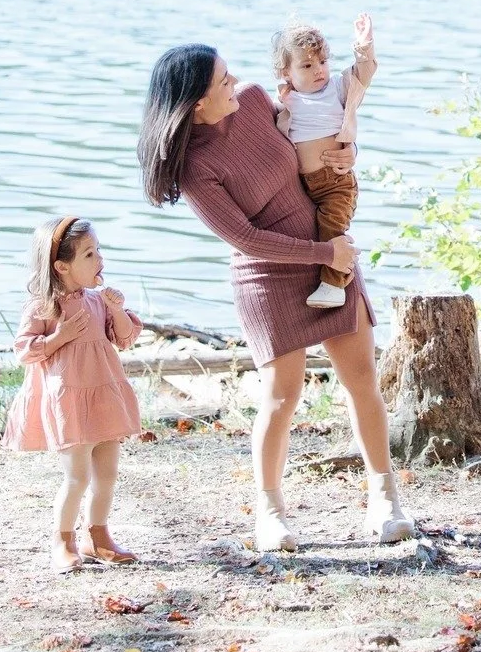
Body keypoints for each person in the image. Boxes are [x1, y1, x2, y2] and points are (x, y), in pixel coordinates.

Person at [137, 44, 413, 553]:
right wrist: (321, 249)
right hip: (268, 273)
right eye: (223, 80)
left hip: (329, 253)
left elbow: (316, 140)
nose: (235, 81)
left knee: (361, 381)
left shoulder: (256, 100)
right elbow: (245, 239)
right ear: (197, 102)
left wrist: (347, 153)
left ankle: (384, 500)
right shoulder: (195, 168)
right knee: (282, 396)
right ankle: (269, 513)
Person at [2, 216, 144, 574]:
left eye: (98, 252)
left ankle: (97, 537)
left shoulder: (97, 302)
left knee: (107, 474)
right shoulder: (43, 307)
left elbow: (125, 337)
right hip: (69, 400)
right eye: (90, 254)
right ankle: (62, 540)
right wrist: (59, 336)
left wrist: (115, 309)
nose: (100, 260)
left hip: (104, 394)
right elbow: (25, 350)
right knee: (77, 476)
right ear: (62, 266)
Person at [271, 13, 375, 310]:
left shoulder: (338, 89)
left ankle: (333, 286)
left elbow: (364, 72)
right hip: (302, 185)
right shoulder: (285, 100)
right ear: (286, 72)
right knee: (309, 231)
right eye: (307, 65)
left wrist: (363, 44)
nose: (319, 70)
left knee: (332, 226)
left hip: (335, 182)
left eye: (323, 62)